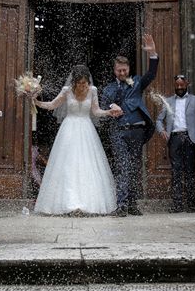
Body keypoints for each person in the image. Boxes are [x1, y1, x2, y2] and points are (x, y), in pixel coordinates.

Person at [33, 65, 120, 215]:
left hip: (87, 129)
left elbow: (95, 111)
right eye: (79, 83)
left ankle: (88, 203)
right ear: (74, 82)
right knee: (67, 163)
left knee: (87, 163)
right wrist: (36, 102)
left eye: (84, 83)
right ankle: (68, 202)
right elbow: (53, 105)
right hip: (69, 130)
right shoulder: (67, 90)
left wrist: (108, 112)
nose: (82, 86)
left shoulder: (93, 90)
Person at [101, 34, 159, 217]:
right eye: (119, 71)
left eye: (124, 70)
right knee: (123, 166)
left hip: (137, 131)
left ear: (128, 69)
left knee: (134, 167)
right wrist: (111, 106)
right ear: (114, 70)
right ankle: (122, 205)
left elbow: (152, 74)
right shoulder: (108, 88)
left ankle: (132, 204)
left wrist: (153, 54)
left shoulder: (137, 82)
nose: (122, 73)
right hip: (118, 132)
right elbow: (102, 105)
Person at [156, 74, 195, 213]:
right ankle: (177, 205)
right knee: (176, 171)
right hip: (174, 138)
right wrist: (162, 130)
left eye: (182, 85)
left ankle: (191, 205)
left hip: (190, 138)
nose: (180, 87)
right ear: (174, 86)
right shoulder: (167, 101)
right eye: (177, 85)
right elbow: (158, 119)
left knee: (190, 171)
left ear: (187, 84)